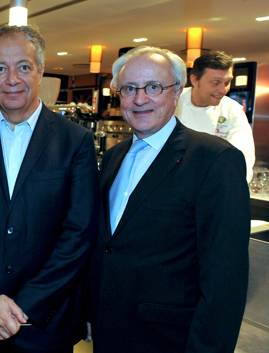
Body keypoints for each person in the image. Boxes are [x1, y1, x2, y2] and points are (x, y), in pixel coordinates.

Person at [0, 25, 99, 353]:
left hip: (45, 321)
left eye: (23, 67)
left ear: (40, 71)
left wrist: (26, 305)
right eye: (0, 68)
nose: (12, 79)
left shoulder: (75, 141)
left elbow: (79, 233)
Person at [89, 46, 249, 353]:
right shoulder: (113, 156)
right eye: (129, 89)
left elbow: (224, 279)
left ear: (177, 92)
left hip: (169, 341)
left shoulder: (215, 160)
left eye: (153, 87)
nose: (139, 99)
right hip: (110, 331)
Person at [175, 51, 255, 182]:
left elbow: (243, 159)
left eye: (227, 82)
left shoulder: (233, 111)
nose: (223, 90)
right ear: (194, 80)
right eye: (216, 82)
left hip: (213, 185)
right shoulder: (172, 102)